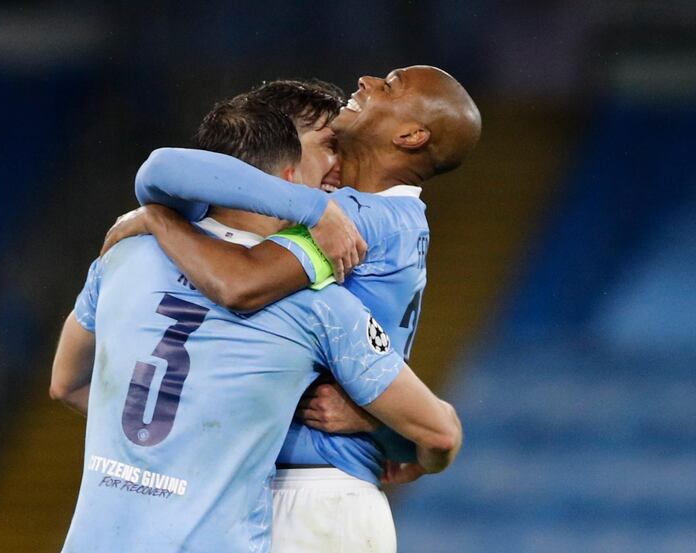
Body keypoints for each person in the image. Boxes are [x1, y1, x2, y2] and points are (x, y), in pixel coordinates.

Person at [51, 97, 462, 553]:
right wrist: (388, 435)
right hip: (312, 507)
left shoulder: (121, 258)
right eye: (328, 146)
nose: (339, 168)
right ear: (286, 176)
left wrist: (156, 217)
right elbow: (438, 431)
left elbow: (65, 385)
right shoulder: (315, 304)